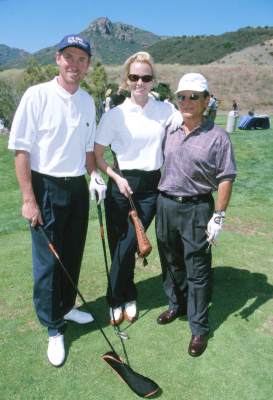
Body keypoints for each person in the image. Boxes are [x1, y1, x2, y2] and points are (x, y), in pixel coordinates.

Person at [8, 34, 107, 367]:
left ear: (88, 65)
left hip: (76, 186)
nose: (74, 65)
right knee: (49, 262)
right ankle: (53, 327)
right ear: (57, 59)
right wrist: (28, 199)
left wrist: (93, 176)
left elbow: (86, 148)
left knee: (72, 254)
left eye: (82, 59)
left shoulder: (88, 100)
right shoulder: (37, 95)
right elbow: (21, 150)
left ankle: (66, 307)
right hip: (45, 186)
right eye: (69, 57)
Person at [156, 73, 236, 357]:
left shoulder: (218, 137)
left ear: (206, 100)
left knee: (198, 270)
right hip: (165, 204)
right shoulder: (169, 128)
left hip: (197, 208)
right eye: (182, 96)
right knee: (170, 260)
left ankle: (198, 327)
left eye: (194, 96)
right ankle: (176, 305)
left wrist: (219, 215)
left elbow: (226, 177)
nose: (187, 101)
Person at [94, 51, 174, 326]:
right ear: (126, 80)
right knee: (121, 245)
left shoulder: (166, 110)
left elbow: (184, 129)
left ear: (153, 81)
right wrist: (115, 177)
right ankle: (126, 296)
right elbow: (98, 155)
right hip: (122, 185)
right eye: (134, 77)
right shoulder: (114, 115)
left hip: (151, 188)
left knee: (128, 245)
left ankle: (115, 297)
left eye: (146, 77)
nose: (140, 82)